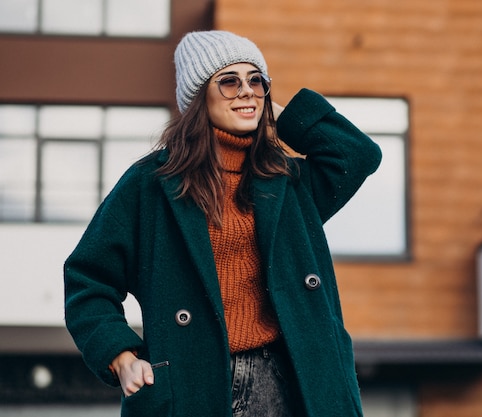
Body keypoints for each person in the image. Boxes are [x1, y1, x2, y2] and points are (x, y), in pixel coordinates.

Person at [64, 30, 381, 417]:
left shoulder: (288, 181)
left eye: (256, 80)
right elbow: (87, 279)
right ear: (199, 96)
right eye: (228, 81)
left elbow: (357, 154)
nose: (246, 90)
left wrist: (268, 110)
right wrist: (120, 354)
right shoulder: (151, 184)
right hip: (197, 382)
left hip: (293, 378)